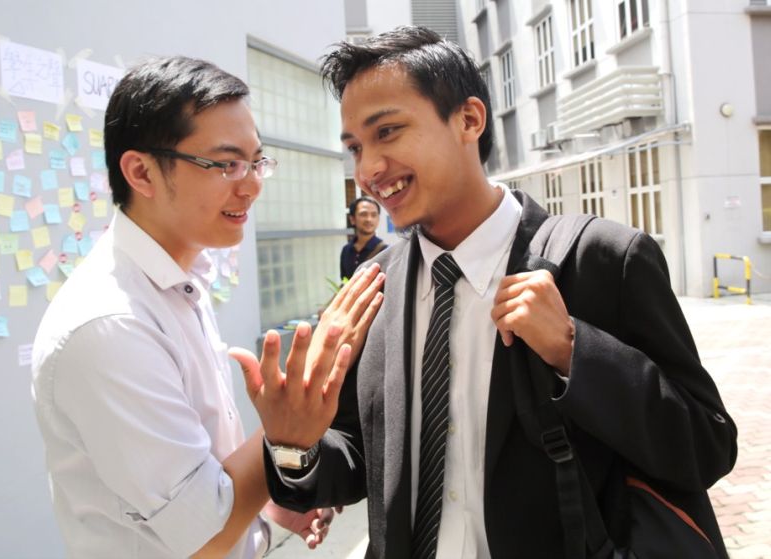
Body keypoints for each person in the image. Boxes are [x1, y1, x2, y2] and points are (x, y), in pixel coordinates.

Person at [236, 27, 738, 558]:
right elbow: (363, 463)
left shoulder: (601, 260)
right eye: (356, 147)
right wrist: (295, 445)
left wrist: (574, 351)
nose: (368, 171)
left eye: (388, 132)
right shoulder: (375, 288)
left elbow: (706, 447)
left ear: (469, 120)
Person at [31, 55, 383, 559]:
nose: (252, 183)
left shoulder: (180, 280)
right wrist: (286, 430)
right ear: (141, 172)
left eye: (256, 160)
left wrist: (266, 504)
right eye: (225, 163)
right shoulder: (111, 325)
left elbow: (201, 475)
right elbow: (204, 534)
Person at [340, 195, 386, 280]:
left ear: (378, 219)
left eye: (374, 215)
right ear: (352, 219)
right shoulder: (346, 250)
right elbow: (344, 281)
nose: (369, 219)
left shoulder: (386, 251)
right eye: (363, 214)